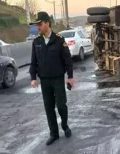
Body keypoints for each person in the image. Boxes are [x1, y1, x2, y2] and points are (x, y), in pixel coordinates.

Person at [29, 11, 74, 145]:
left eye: (40, 24)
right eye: (37, 25)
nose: (38, 27)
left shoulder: (59, 40)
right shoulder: (36, 42)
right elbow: (33, 62)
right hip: (45, 80)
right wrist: (33, 77)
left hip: (58, 79)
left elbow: (68, 60)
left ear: (47, 23)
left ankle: (65, 126)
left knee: (61, 105)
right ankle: (53, 133)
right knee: (48, 107)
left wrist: (70, 77)